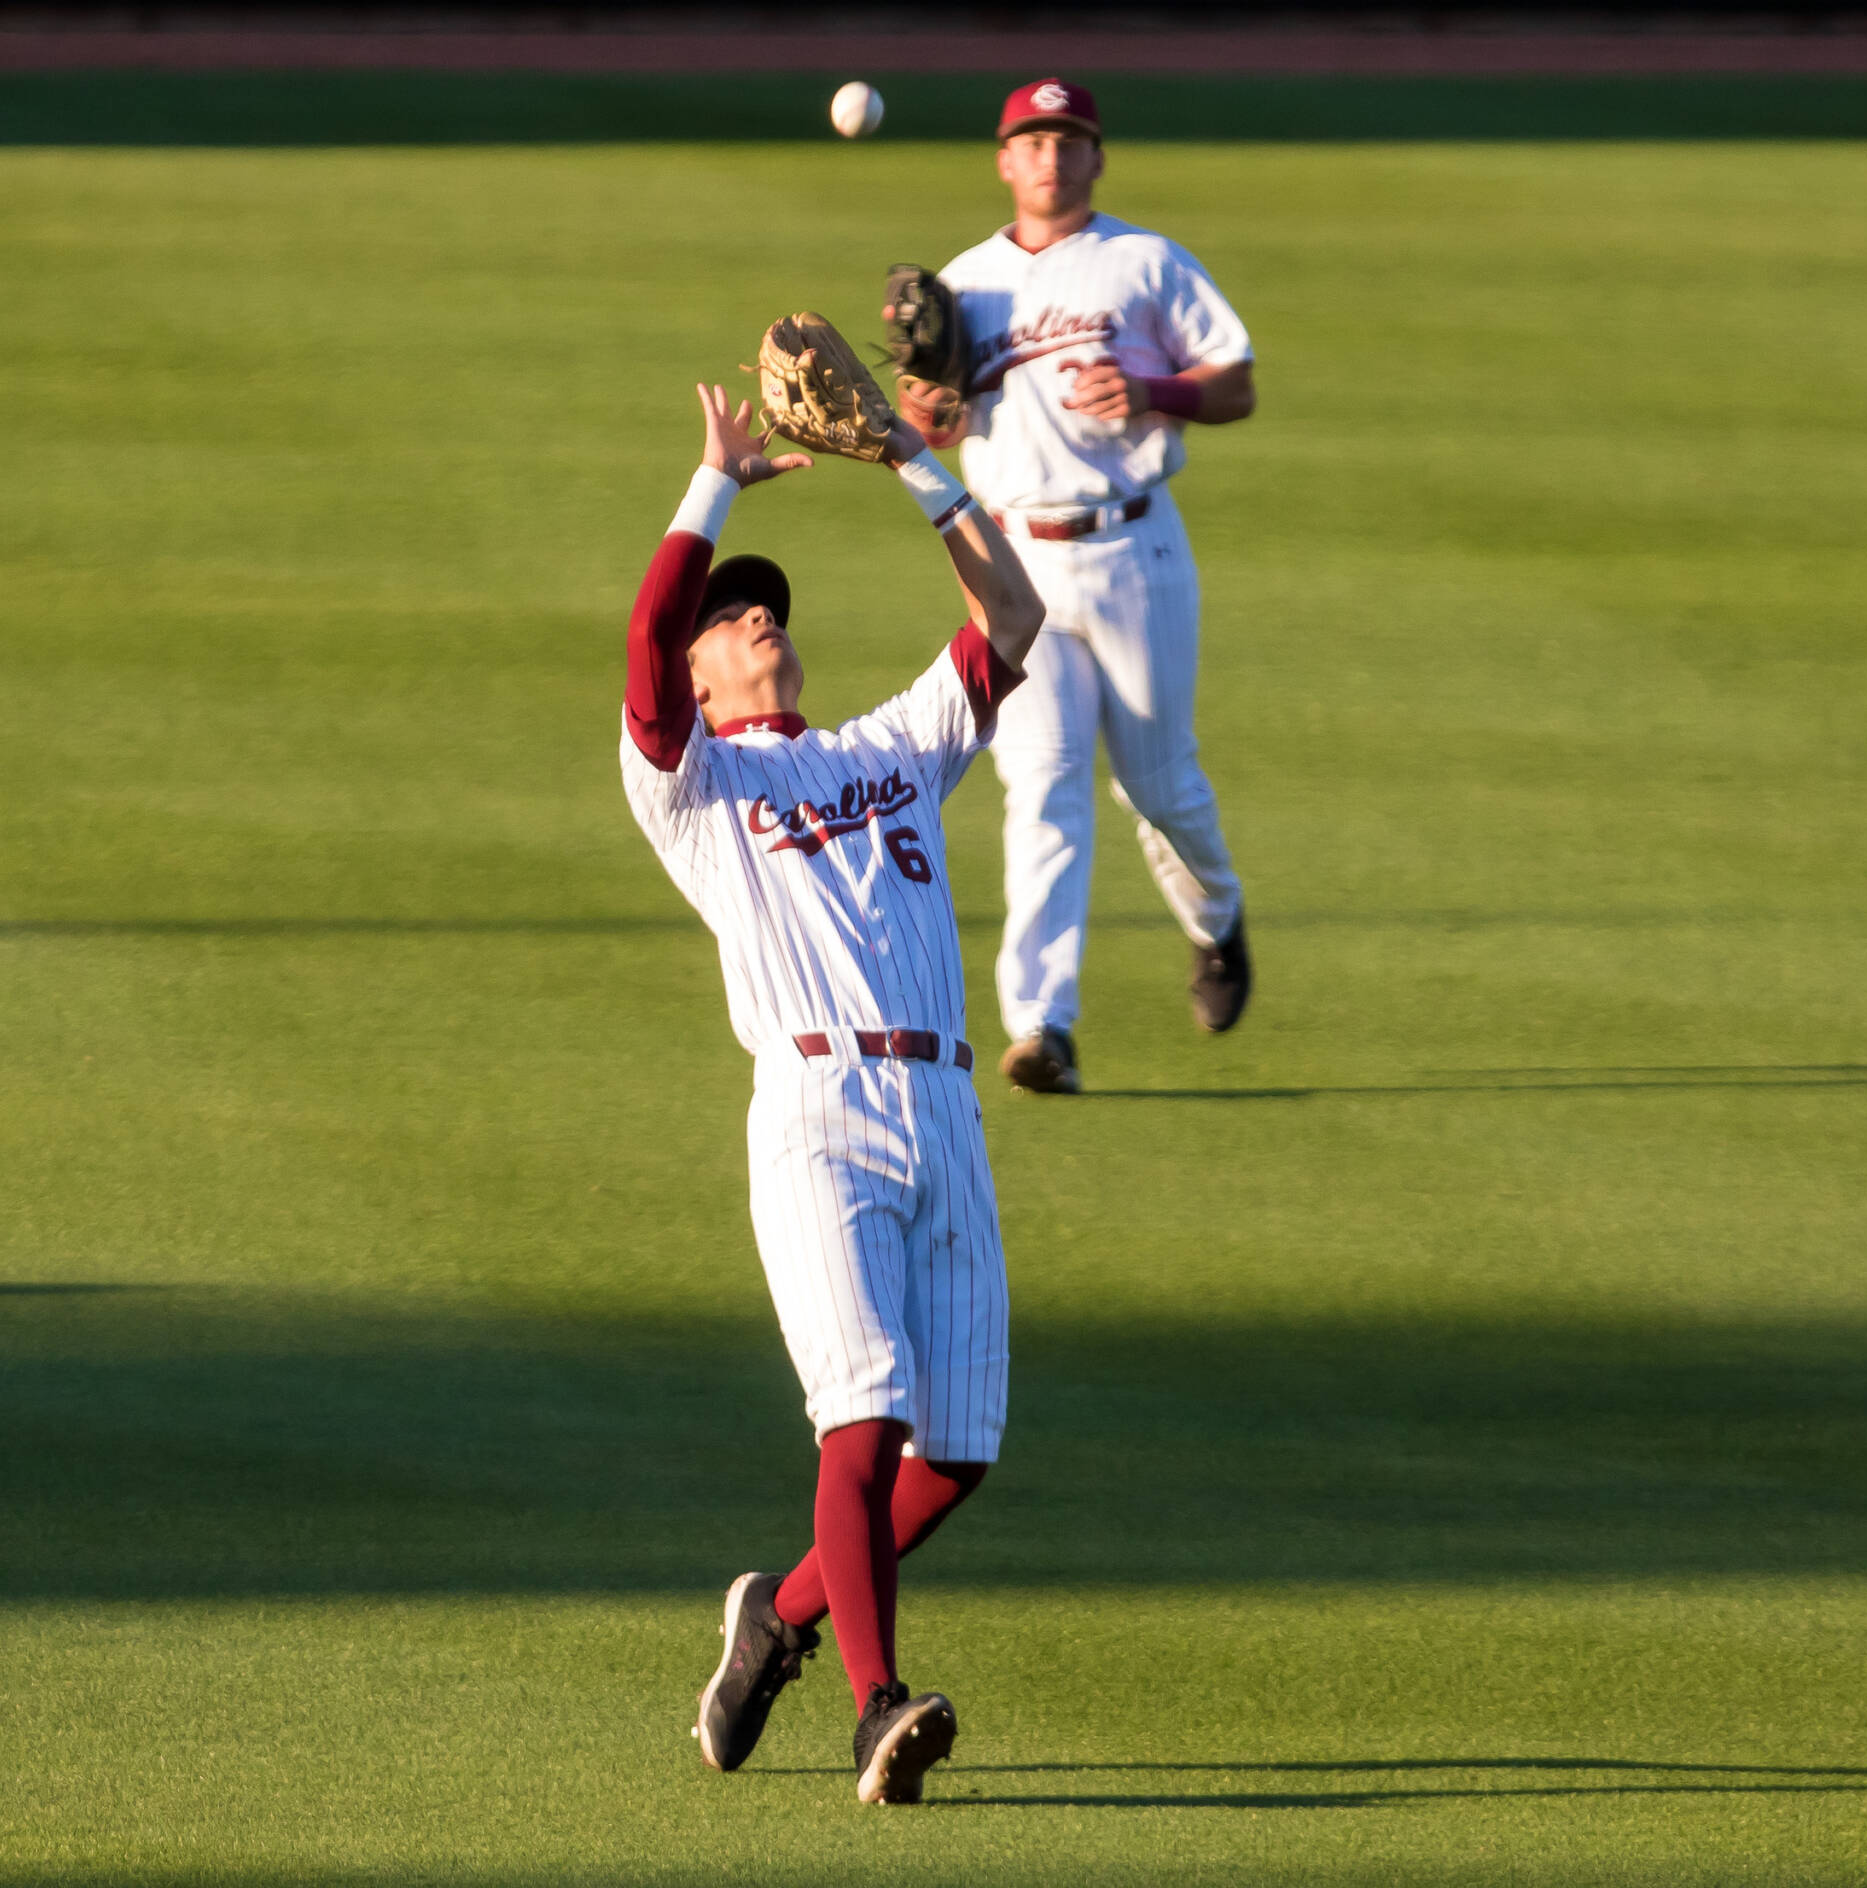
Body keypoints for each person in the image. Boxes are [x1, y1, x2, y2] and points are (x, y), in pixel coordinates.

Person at [621, 380, 1045, 1804]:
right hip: (815, 1122)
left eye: (761, 607)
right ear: (702, 680)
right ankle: (877, 1708)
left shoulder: (888, 749)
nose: (754, 620)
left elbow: (1015, 628)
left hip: (947, 1114)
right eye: (728, 618)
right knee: (861, 1421)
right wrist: (714, 486)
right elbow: (636, 651)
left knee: (959, 1454)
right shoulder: (694, 793)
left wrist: (921, 462)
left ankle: (776, 1623)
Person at [896, 76, 1260, 1095]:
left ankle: (1216, 924)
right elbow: (935, 422)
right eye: (1031, 141)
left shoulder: (1145, 262)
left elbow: (1235, 382)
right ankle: (1039, 1025)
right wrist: (928, 409)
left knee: (1160, 787)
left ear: (1096, 157)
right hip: (1017, 566)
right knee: (1041, 784)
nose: (1049, 156)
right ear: (1004, 161)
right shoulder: (964, 282)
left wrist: (1153, 389)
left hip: (1137, 552)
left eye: (1069, 139)